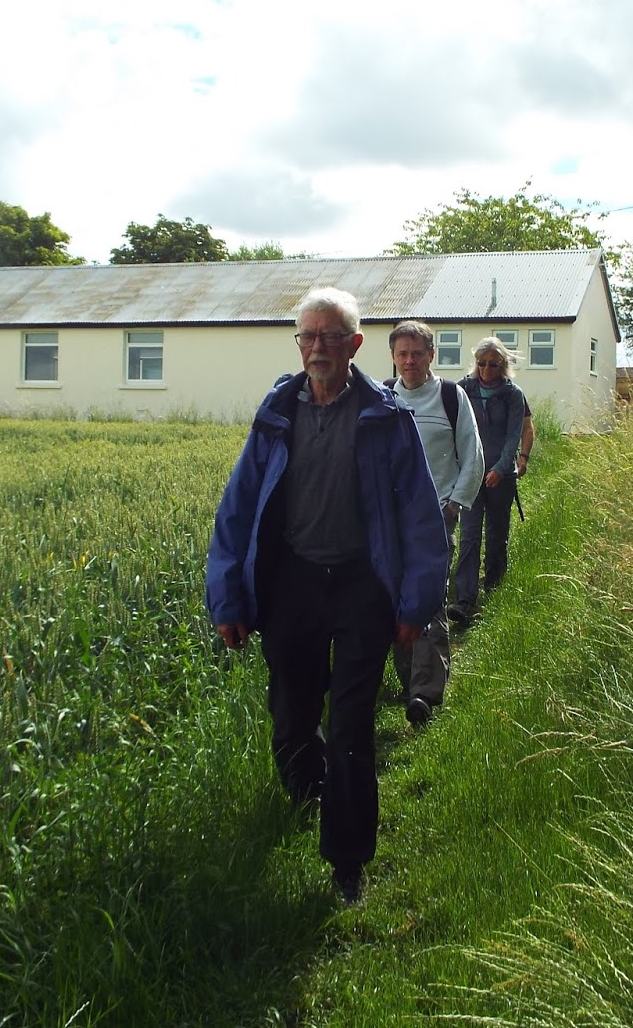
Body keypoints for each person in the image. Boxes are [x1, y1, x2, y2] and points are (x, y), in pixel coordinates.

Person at [205, 287, 448, 905]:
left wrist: (415, 605)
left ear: (355, 346)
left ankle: (348, 860)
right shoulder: (276, 415)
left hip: (363, 588)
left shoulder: (386, 418)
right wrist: (229, 599)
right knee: (291, 721)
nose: (317, 348)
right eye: (307, 337)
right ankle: (314, 793)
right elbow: (236, 513)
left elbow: (420, 516)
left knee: (350, 729)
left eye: (330, 337)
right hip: (293, 585)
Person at [385, 320, 482, 725]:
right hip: (389, 521)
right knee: (393, 600)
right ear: (393, 357)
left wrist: (455, 504)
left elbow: (473, 455)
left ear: (431, 356)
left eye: (417, 353)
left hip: (436, 518)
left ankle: (425, 692)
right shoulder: (382, 398)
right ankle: (409, 680)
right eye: (402, 353)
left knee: (429, 599)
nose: (409, 361)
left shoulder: (450, 397)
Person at [450, 337, 528, 625]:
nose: (485, 370)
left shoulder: (513, 394)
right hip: (470, 474)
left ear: (503, 365)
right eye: (481, 363)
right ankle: (464, 601)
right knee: (469, 536)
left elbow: (513, 436)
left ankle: (493, 593)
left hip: (501, 476)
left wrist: (500, 467)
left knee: (496, 537)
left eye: (493, 365)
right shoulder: (463, 389)